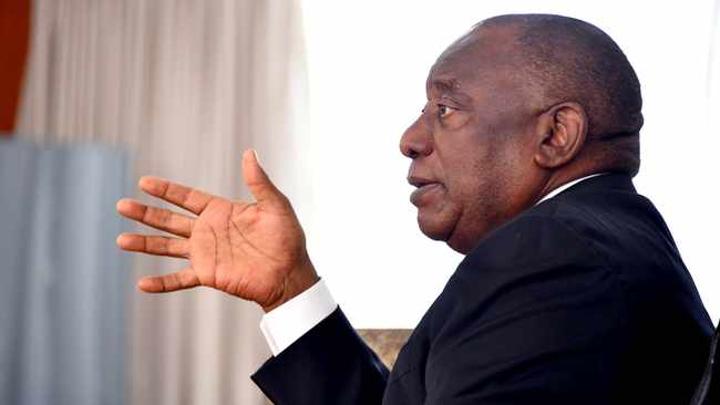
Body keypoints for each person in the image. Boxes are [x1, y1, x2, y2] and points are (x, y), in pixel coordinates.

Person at [116, 14, 714, 404]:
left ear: (556, 135)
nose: (410, 138)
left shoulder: (556, 256)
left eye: (446, 110)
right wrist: (289, 289)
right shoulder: (602, 243)